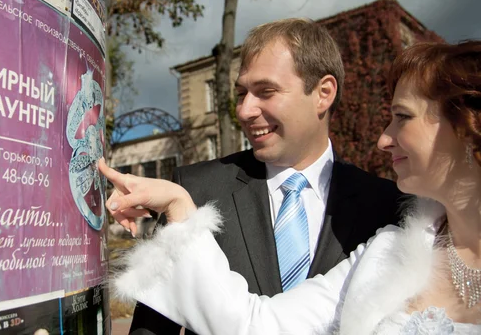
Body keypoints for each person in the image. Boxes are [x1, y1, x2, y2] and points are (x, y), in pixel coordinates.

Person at [101, 40, 481, 334]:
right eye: (240, 94)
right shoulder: (388, 251)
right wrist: (182, 209)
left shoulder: (385, 203)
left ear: (468, 128)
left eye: (402, 117)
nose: (384, 139)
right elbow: (256, 325)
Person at [125, 19, 404, 334]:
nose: (244, 110)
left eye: (266, 92)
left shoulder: (386, 205)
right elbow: (152, 327)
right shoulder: (194, 190)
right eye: (242, 93)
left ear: (323, 93)